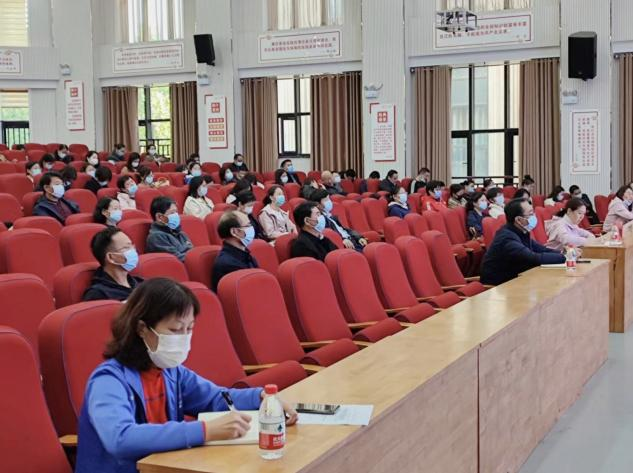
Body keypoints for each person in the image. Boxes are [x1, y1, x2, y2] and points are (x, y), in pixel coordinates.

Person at [75, 277, 297, 473]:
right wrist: (205, 431)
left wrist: (261, 397)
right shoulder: (108, 380)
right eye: (175, 330)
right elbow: (120, 438)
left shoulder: (171, 371)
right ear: (142, 328)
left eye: (189, 329)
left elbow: (214, 398)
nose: (183, 337)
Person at [480, 199, 565, 286]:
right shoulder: (507, 238)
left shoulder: (520, 231)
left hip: (516, 279)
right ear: (518, 220)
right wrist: (565, 257)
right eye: (531, 214)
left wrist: (563, 253)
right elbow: (533, 258)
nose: (534, 216)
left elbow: (541, 249)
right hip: (499, 286)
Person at [82, 227, 143, 301]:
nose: (133, 251)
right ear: (111, 257)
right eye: (126, 248)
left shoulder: (141, 283)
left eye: (132, 246)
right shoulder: (98, 294)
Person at [211, 211, 259, 292]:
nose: (251, 228)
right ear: (234, 232)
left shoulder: (246, 255)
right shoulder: (228, 264)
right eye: (247, 225)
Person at [146, 196, 193, 261]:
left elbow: (192, 251)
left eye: (176, 212)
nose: (176, 215)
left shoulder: (180, 233)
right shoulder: (156, 237)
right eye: (172, 213)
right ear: (159, 217)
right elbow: (176, 259)